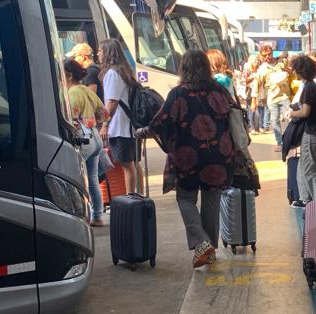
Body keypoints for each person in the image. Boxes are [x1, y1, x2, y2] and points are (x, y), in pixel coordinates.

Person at [142, 50, 237, 268]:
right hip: (219, 155)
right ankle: (209, 249)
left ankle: (202, 243)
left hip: (188, 156)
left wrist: (145, 131)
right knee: (212, 200)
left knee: (185, 199)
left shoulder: (178, 93)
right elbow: (236, 115)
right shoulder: (219, 90)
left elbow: (161, 122)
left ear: (184, 68)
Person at [64, 58, 107, 227]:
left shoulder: (73, 92)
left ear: (68, 76)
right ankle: (97, 216)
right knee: (93, 179)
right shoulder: (86, 90)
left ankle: (83, 216)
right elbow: (103, 114)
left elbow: (71, 117)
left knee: (79, 178)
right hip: (95, 135)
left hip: (83, 138)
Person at [98, 38, 140, 195]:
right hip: (129, 126)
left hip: (120, 127)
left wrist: (104, 124)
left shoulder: (112, 73)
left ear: (108, 53)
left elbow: (111, 103)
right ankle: (138, 195)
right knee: (133, 164)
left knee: (127, 166)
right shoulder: (124, 71)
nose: (98, 54)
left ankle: (131, 198)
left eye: (100, 51)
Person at [288, 54, 316, 203]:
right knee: (304, 166)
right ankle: (305, 198)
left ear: (300, 70)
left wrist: (290, 113)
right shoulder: (312, 86)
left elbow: (305, 112)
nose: (294, 72)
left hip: (311, 131)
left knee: (309, 167)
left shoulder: (309, 88)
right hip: (315, 130)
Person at [265, 54, 293, 152]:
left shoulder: (281, 64)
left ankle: (291, 140)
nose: (267, 57)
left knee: (288, 118)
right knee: (274, 120)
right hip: (272, 98)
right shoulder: (263, 68)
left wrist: (286, 69)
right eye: (265, 55)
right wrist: (254, 98)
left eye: (269, 54)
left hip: (284, 96)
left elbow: (291, 72)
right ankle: (280, 142)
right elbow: (257, 81)